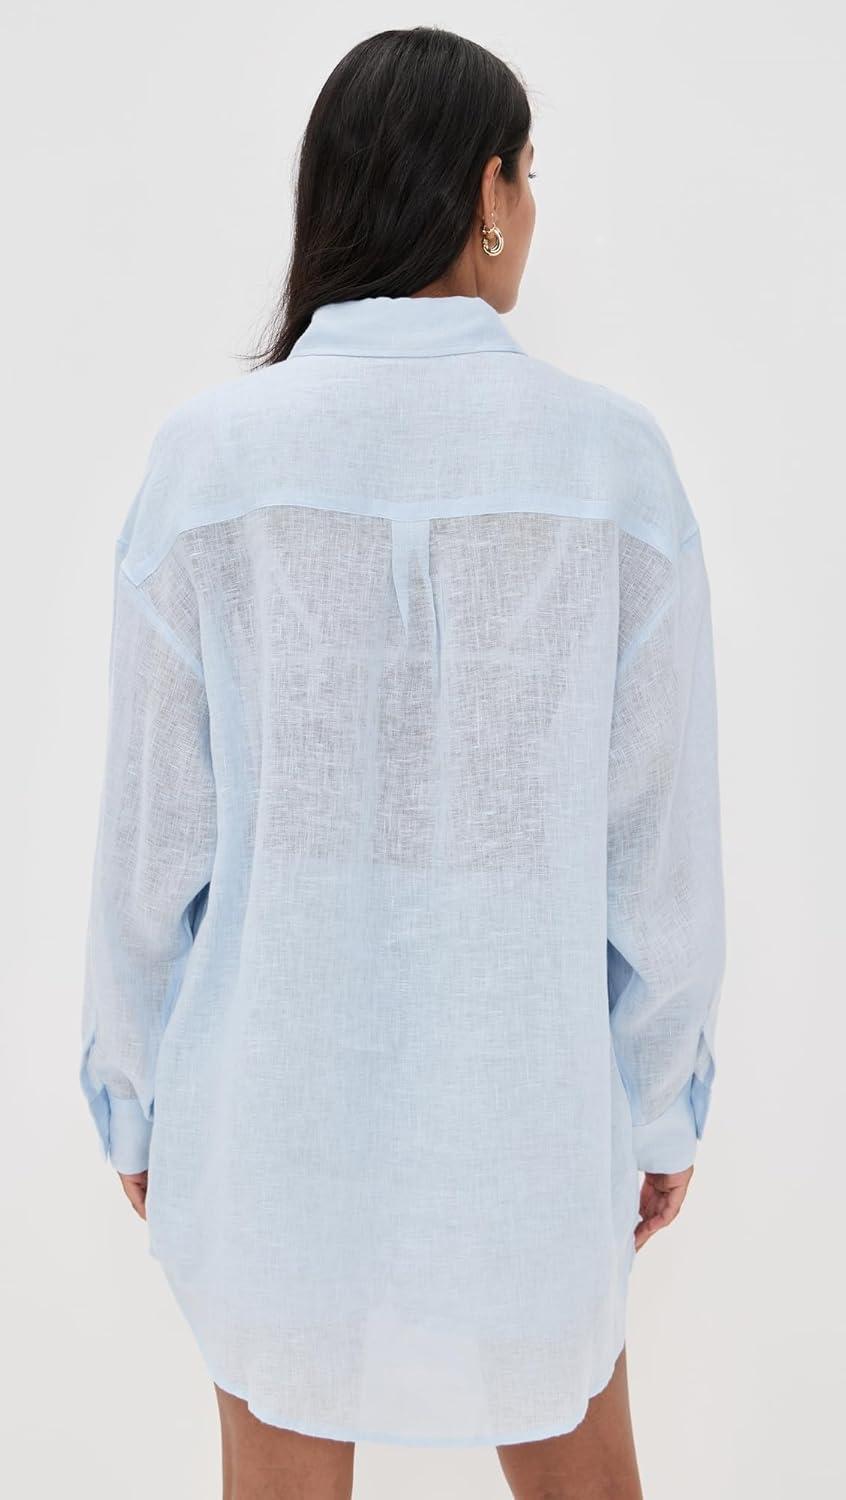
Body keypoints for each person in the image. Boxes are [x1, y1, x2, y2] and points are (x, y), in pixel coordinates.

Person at [79, 25, 726, 1500]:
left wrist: (135, 1092)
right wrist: (658, 1100)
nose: (532, 212)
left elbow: (150, 834)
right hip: (530, 1111)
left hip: (266, 1104)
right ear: (487, 193)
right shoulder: (610, 463)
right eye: (529, 177)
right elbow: (656, 842)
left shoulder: (210, 460)